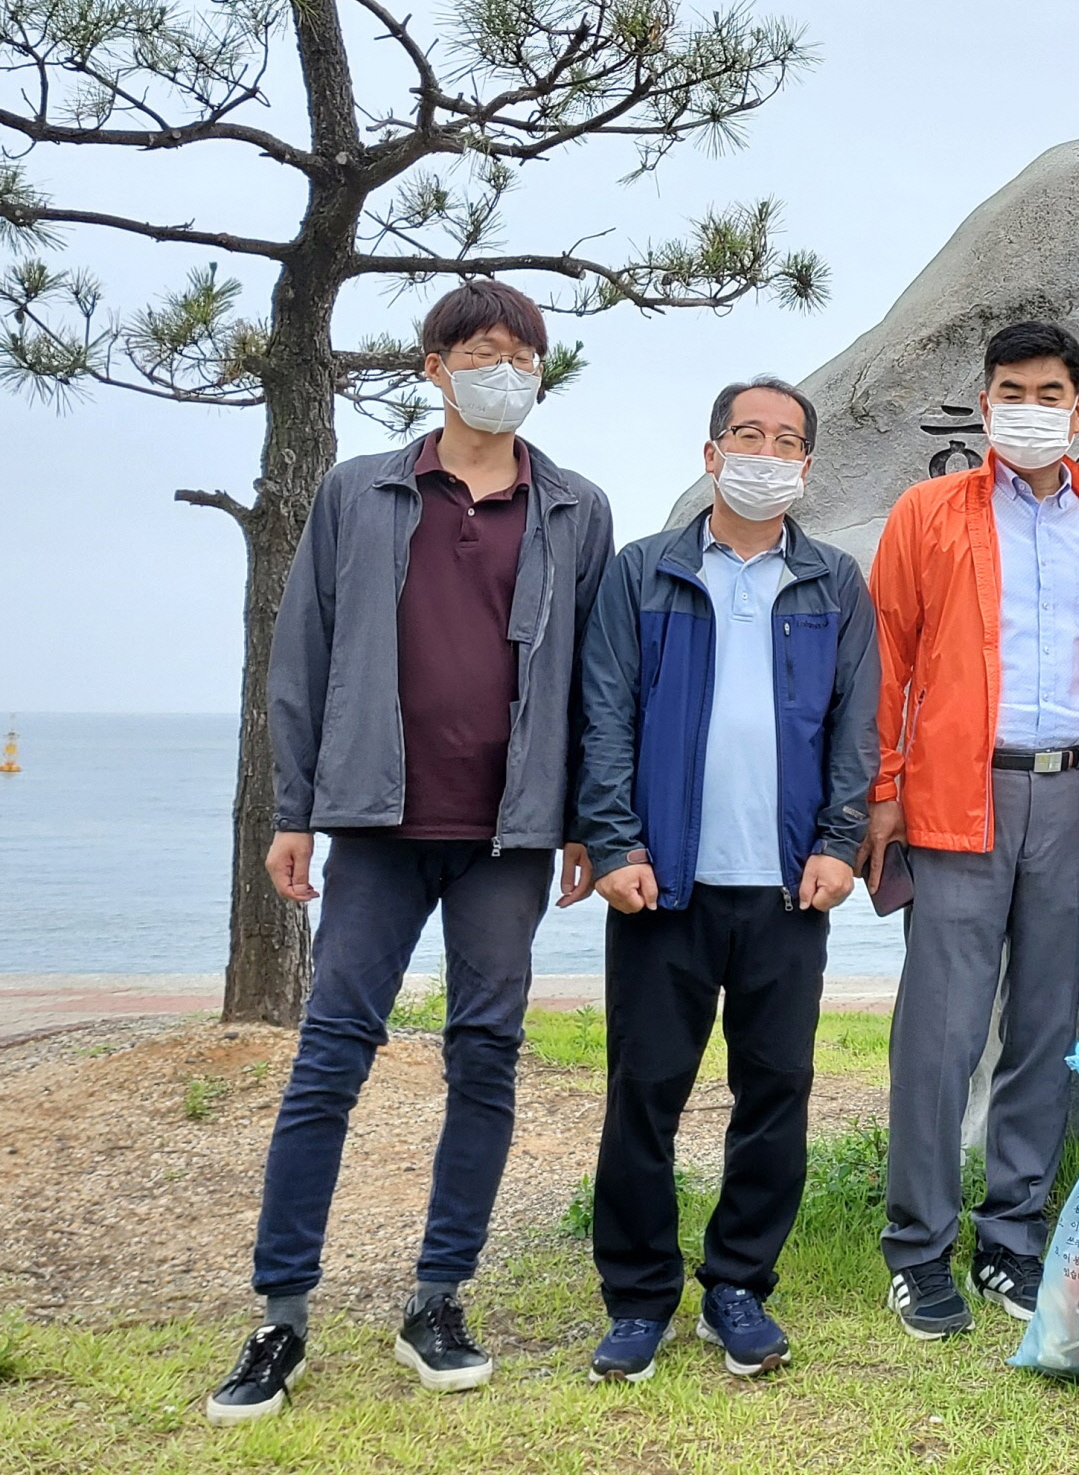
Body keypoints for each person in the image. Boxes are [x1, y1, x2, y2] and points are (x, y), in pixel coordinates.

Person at [210, 280, 613, 1424]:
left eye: (525, 357)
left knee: (485, 1055)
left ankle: (439, 1298)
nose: (508, 373)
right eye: (483, 353)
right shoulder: (361, 491)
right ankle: (280, 1314)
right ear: (432, 366)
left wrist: (586, 819)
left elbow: (593, 679)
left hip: (508, 836)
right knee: (329, 1059)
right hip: (376, 824)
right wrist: (294, 812)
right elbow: (301, 656)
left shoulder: (577, 507)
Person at [573, 377, 879, 1382]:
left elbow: (854, 728)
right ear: (711, 453)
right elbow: (605, 716)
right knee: (645, 1089)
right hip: (665, 884)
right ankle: (637, 1295)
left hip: (788, 886)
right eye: (747, 433)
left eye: (785, 439)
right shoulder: (642, 572)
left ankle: (738, 1284)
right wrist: (614, 846)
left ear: (804, 465)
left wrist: (840, 840)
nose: (765, 451)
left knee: (776, 1089)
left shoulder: (834, 582)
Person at [860, 321, 1079, 1340]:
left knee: (1042, 1031)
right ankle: (917, 1249)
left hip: (1072, 794)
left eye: (1051, 389)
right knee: (938, 1034)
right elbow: (884, 662)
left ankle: (1012, 1240)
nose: (1032, 405)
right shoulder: (928, 514)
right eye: (1012, 389)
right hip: (953, 794)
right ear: (985, 405)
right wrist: (881, 794)